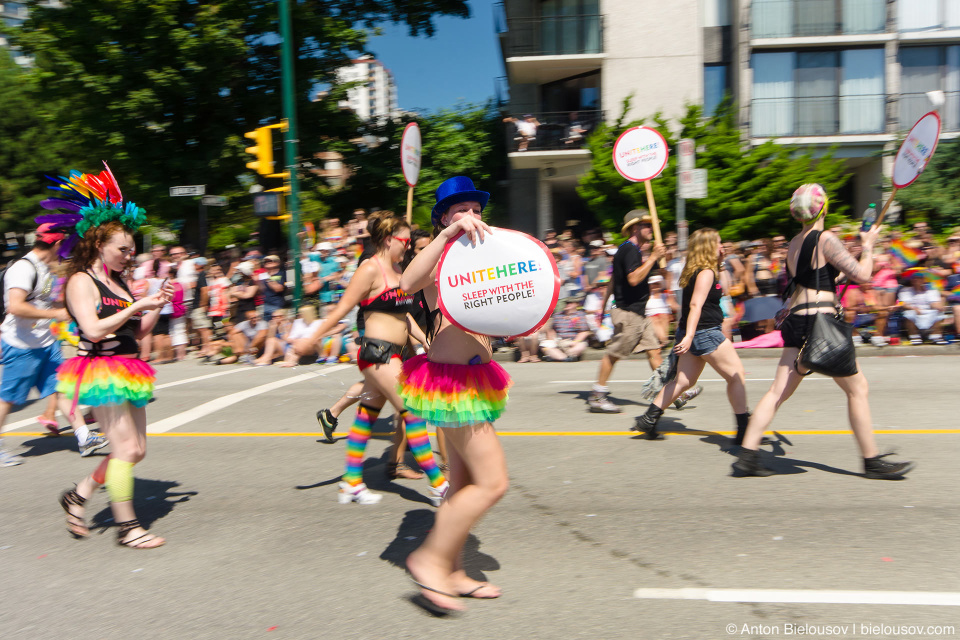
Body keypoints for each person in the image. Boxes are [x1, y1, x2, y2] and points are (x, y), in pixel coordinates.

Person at [733, 183, 913, 479]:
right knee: (858, 389)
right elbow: (864, 276)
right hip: (821, 324)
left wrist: (846, 264)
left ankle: (747, 456)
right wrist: (867, 245)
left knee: (777, 392)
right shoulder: (826, 238)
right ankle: (872, 461)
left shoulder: (794, 243)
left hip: (796, 320)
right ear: (824, 207)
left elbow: (820, 277)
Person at [398, 176, 512, 614]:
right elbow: (407, 283)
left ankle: (453, 570)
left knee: (463, 484)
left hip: (478, 379)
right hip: (451, 384)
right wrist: (447, 236)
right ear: (444, 216)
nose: (472, 217)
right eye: (461, 210)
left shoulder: (484, 255)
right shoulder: (440, 254)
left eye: (477, 210)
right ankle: (428, 558)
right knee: (493, 483)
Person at [44, 163, 173, 547]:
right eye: (122, 248)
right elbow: (94, 329)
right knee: (126, 448)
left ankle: (79, 495)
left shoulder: (120, 282)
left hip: (129, 368)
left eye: (132, 249)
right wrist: (137, 306)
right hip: (101, 369)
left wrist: (154, 306)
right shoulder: (81, 280)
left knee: (137, 451)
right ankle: (128, 528)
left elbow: (137, 332)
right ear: (99, 244)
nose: (128, 254)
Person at [296, 210, 445, 505]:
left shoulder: (399, 272)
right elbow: (340, 310)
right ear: (389, 240)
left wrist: (424, 343)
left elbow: (404, 316)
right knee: (412, 413)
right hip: (377, 353)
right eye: (404, 240)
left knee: (366, 417)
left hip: (393, 354)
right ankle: (439, 485)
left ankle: (351, 482)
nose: (408, 245)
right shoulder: (370, 269)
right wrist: (311, 339)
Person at [0, 225, 108, 466]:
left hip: (45, 343)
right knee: (8, 399)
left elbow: (47, 299)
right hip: (20, 345)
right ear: (58, 244)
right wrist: (55, 315)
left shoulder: (45, 269)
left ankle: (84, 437)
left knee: (62, 390)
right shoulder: (22, 268)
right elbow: (15, 307)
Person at [632, 228, 751, 442]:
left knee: (683, 381)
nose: (722, 246)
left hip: (694, 332)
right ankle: (744, 429)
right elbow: (695, 305)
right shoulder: (705, 272)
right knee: (736, 375)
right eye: (718, 243)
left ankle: (648, 419)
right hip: (704, 333)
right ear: (707, 246)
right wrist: (688, 336)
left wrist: (721, 263)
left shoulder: (699, 270)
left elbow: (721, 291)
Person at [587, 210, 666, 413]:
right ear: (635, 228)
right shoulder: (630, 249)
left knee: (654, 350)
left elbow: (615, 280)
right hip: (629, 313)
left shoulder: (628, 249)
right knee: (614, 354)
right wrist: (653, 257)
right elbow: (633, 279)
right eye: (647, 225)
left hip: (638, 312)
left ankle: (670, 392)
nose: (651, 229)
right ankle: (597, 396)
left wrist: (604, 305)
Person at [898, 272, 947, 345]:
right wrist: (913, 308)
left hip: (928, 311)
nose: (917, 281)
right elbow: (904, 304)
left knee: (939, 313)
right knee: (908, 314)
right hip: (913, 311)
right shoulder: (905, 290)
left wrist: (939, 306)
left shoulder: (931, 290)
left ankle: (936, 336)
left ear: (924, 280)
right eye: (915, 279)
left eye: (920, 279)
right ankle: (914, 336)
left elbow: (933, 303)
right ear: (911, 280)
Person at [541, 297, 592, 362]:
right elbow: (552, 330)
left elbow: (584, 332)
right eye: (566, 303)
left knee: (581, 346)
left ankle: (556, 356)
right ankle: (564, 358)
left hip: (573, 342)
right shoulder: (557, 315)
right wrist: (553, 340)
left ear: (576, 304)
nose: (567, 305)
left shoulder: (580, 315)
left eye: (570, 303)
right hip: (559, 341)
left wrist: (575, 342)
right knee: (545, 346)